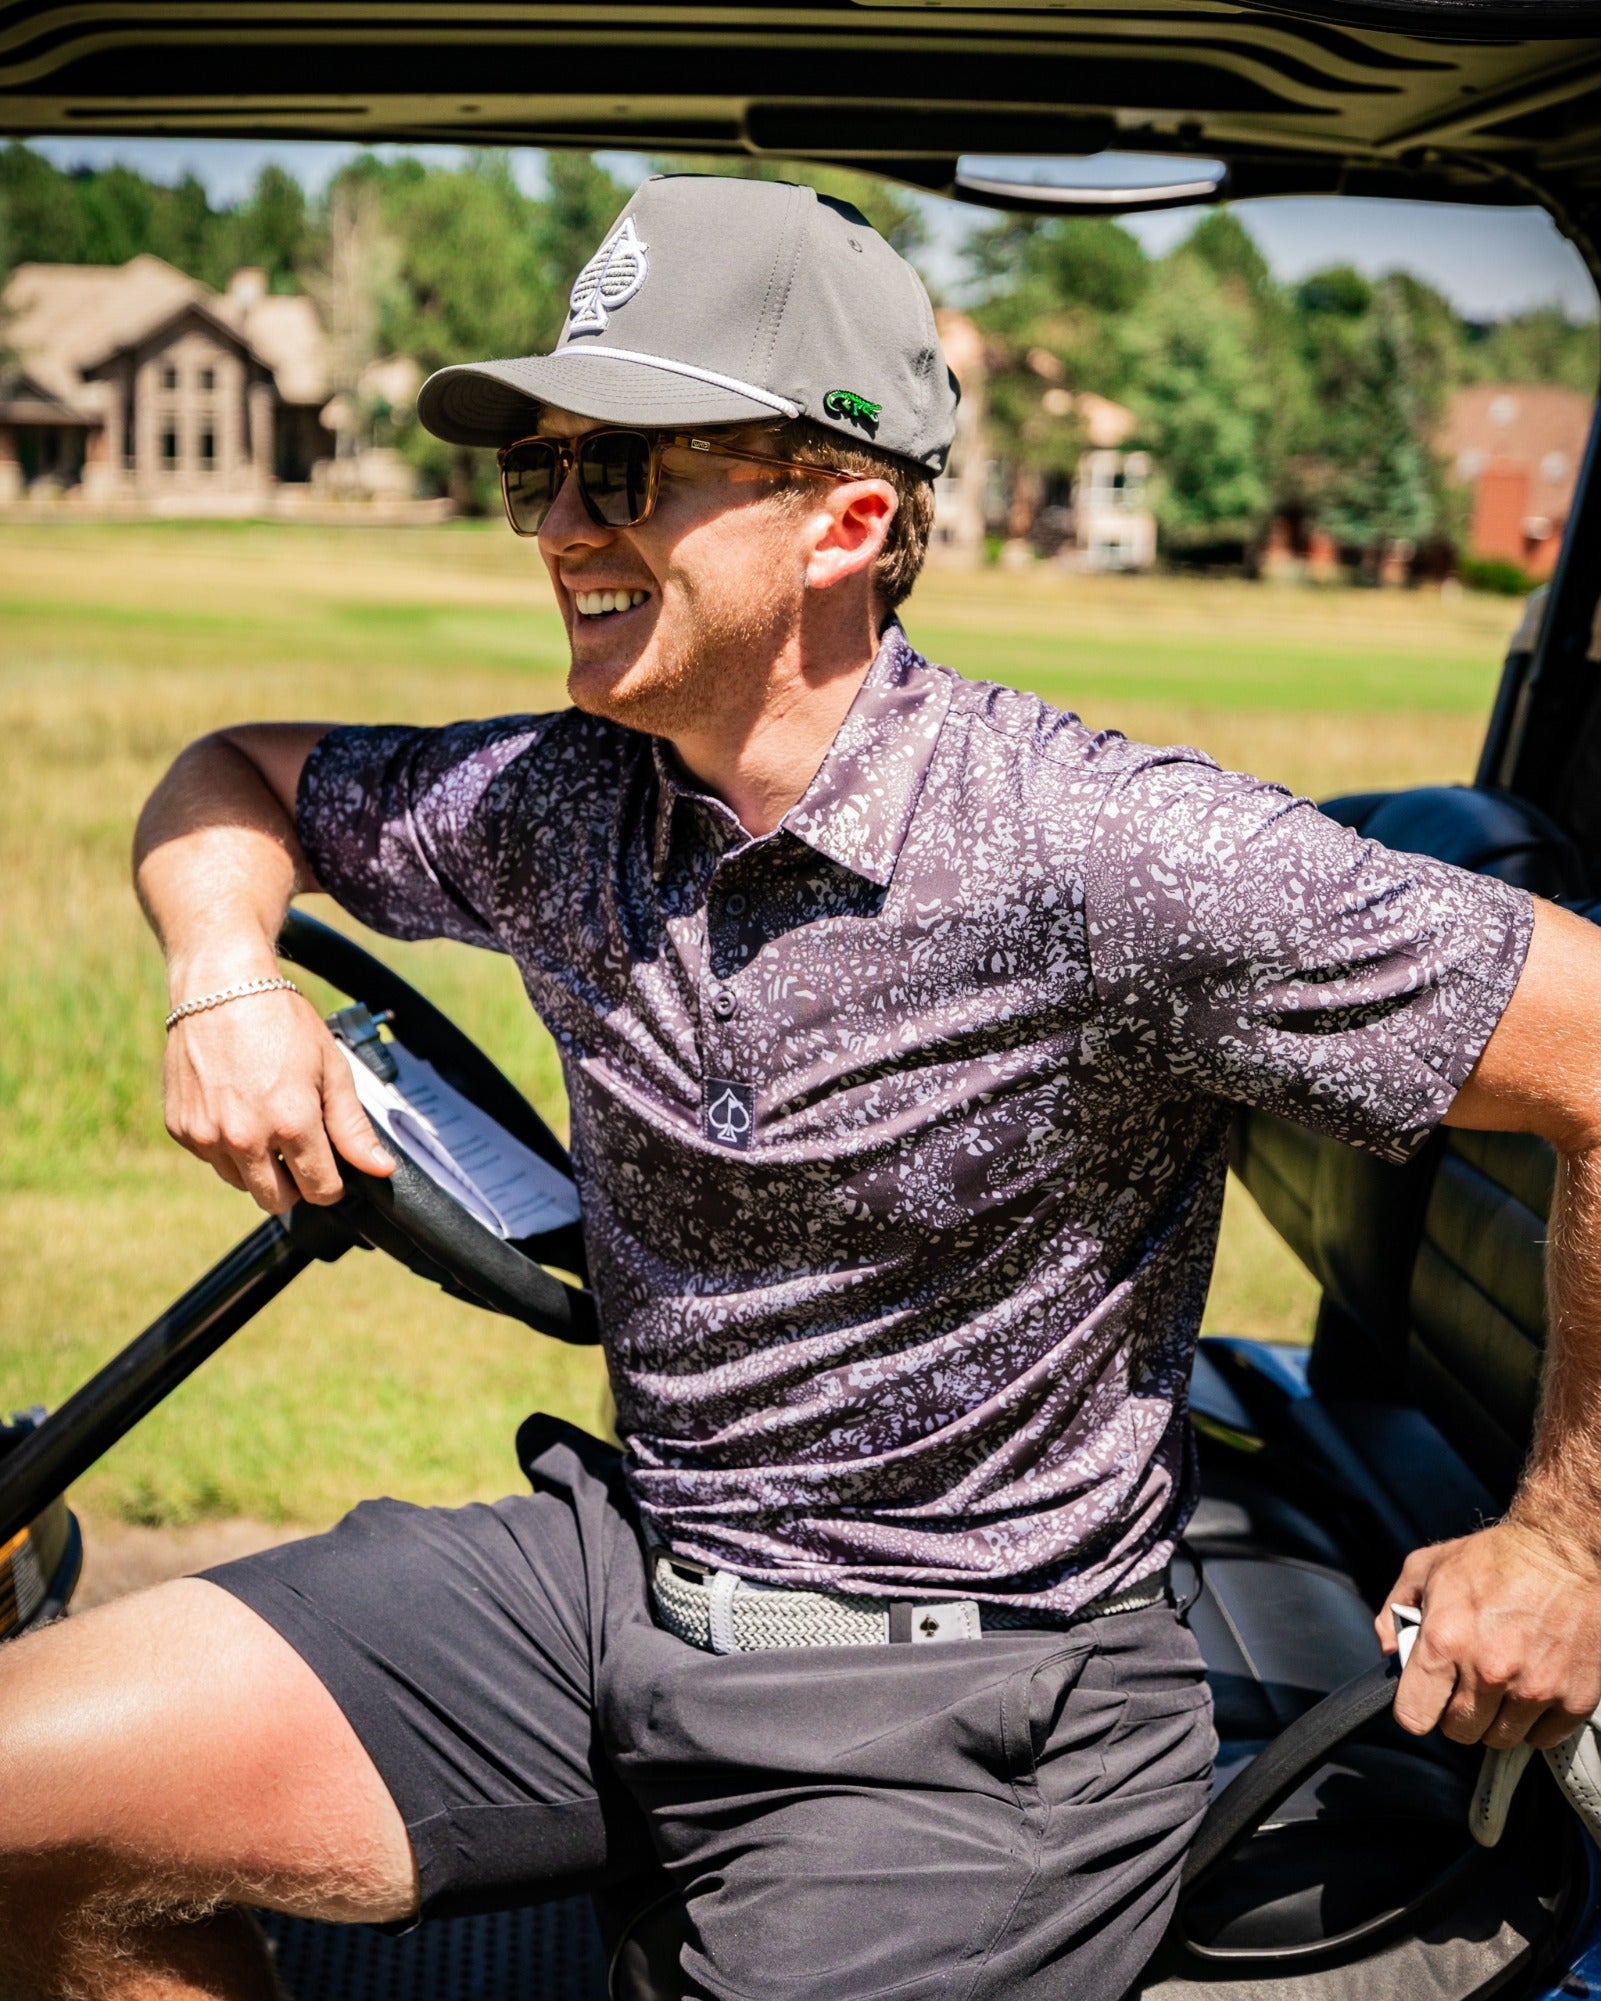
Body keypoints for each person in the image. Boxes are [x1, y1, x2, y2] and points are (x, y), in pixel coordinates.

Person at [3, 172, 1601, 2001]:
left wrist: (1564, 1542)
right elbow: (234, 778)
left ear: (845, 518)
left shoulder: (1103, 855)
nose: (560, 528)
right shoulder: (563, 802)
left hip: (966, 1707)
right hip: (634, 1574)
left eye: (629, 472)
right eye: (539, 473)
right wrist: (224, 976)